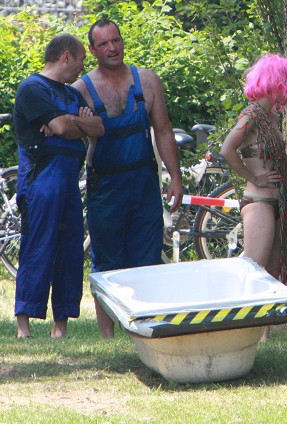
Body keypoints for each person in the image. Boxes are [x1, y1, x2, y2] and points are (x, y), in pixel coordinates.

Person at [71, 18, 183, 337]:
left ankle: (145, 328)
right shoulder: (81, 90)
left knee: (147, 258)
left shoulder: (146, 81)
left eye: (116, 41)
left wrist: (174, 176)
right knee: (107, 261)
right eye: (104, 44)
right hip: (105, 185)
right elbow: (62, 132)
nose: (112, 48)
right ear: (92, 50)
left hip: (143, 180)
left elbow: (163, 130)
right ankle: (108, 336)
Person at [13, 34, 103, 339]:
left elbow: (98, 128)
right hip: (41, 181)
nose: (82, 66)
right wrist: (74, 123)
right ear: (66, 56)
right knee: (37, 248)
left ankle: (60, 325)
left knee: (69, 252)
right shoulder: (32, 89)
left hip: (68, 183)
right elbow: (66, 127)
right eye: (80, 59)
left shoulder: (72, 95)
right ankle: (23, 324)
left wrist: (68, 123)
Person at [222, 53, 287, 280]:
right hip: (259, 202)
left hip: (278, 200)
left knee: (273, 274)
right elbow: (227, 149)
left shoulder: (271, 116)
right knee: (253, 271)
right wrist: (255, 178)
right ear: (275, 82)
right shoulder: (252, 115)